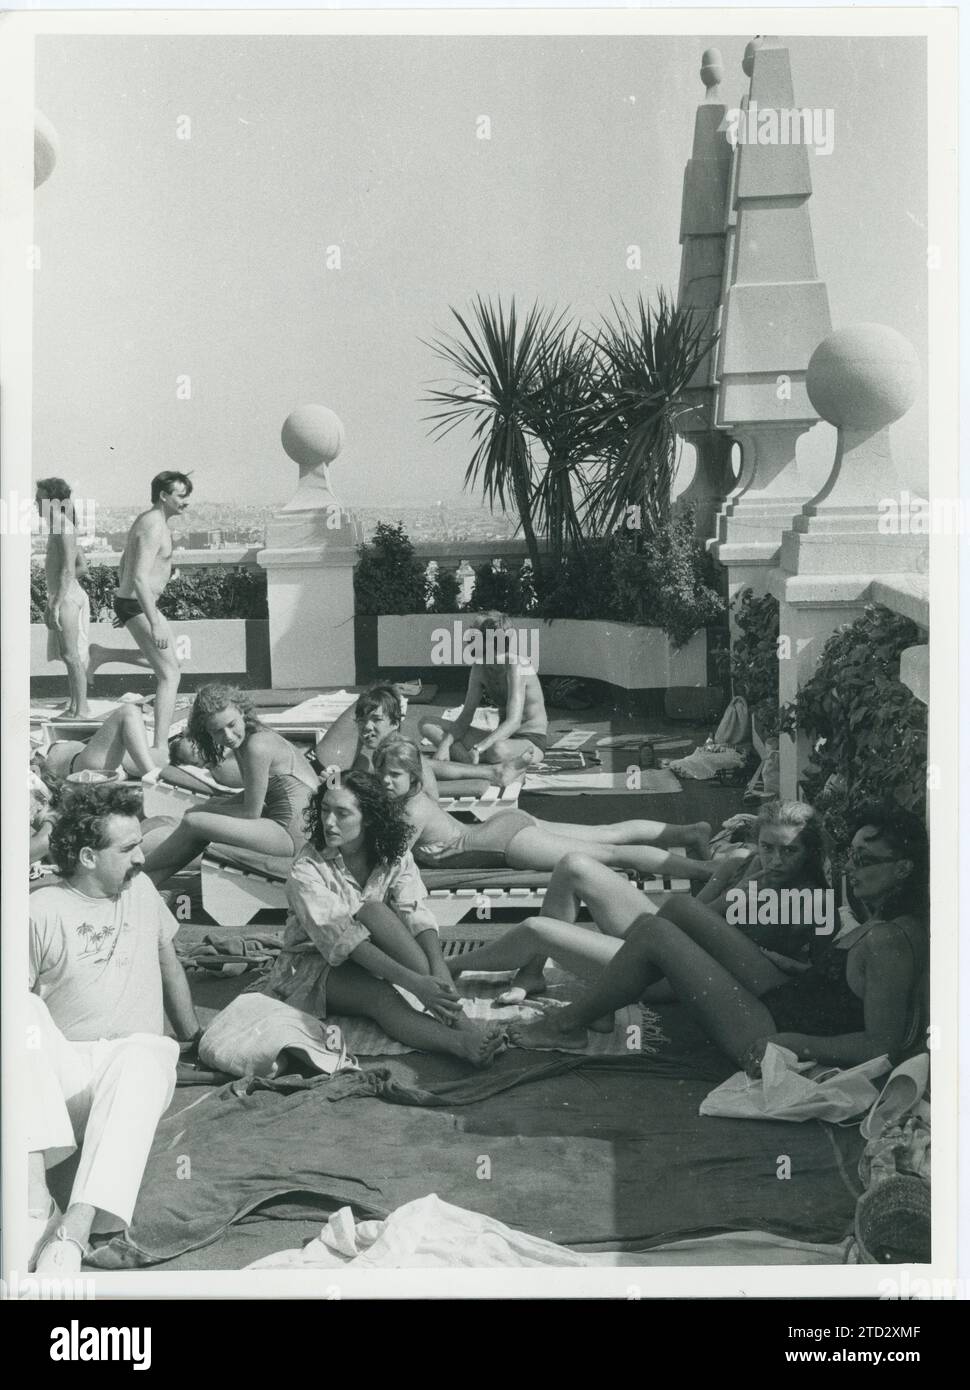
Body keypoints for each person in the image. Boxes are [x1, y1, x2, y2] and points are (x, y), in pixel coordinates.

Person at [508, 804, 929, 1073]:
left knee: (654, 931)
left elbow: (883, 1044)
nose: (854, 869)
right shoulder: (877, 919)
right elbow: (832, 978)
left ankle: (568, 1024)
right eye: (852, 856)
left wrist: (795, 1044)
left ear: (904, 869)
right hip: (789, 992)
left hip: (775, 1026)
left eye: (867, 860)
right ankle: (611, 992)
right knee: (674, 911)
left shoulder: (888, 941)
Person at [27, 783, 201, 1274]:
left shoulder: (142, 891)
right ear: (86, 855)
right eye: (128, 849)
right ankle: (34, 1196)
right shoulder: (40, 910)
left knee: (144, 1054)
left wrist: (192, 1037)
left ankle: (72, 1232)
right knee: (17, 1008)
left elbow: (168, 959)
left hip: (136, 1064)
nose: (143, 858)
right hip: (65, 1078)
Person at [445, 799, 827, 1000]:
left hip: (677, 973)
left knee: (535, 929)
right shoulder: (745, 865)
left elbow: (799, 973)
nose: (775, 860)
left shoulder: (803, 898)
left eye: (789, 852)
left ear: (809, 853)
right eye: (767, 847)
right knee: (573, 865)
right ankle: (531, 975)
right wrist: (730, 886)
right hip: (665, 939)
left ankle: (449, 965)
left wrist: (735, 900)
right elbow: (687, 918)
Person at [252, 771, 506, 1067]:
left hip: (373, 949)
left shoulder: (392, 856)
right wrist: (414, 983)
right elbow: (346, 941)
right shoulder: (306, 871)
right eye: (324, 811)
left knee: (374, 909)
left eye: (342, 813)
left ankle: (464, 1025)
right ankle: (461, 1044)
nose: (329, 822)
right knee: (380, 997)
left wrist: (436, 971)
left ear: (369, 818)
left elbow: (415, 912)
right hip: (313, 963)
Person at [375, 735, 715, 882]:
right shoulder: (420, 796)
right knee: (607, 836)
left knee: (611, 853)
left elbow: (386, 866)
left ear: (411, 776)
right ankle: (691, 833)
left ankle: (708, 873)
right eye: (382, 775)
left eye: (394, 775)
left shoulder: (409, 811)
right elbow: (426, 766)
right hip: (502, 827)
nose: (386, 782)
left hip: (505, 844)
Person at [142, 684, 319, 887]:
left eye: (231, 724)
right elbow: (251, 795)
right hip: (296, 827)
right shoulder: (249, 740)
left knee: (195, 822)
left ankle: (139, 877)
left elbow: (251, 812)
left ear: (242, 712)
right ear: (207, 733)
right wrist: (209, 807)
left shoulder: (257, 746)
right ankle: (147, 881)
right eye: (217, 732)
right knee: (200, 814)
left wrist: (203, 810)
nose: (227, 735)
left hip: (294, 835)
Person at [110, 471, 193, 749]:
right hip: (139, 605)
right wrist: (153, 621)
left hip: (135, 604)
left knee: (171, 665)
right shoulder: (155, 525)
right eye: (181, 495)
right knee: (170, 674)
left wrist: (123, 601)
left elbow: (124, 563)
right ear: (164, 495)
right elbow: (139, 577)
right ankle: (159, 747)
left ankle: (101, 654)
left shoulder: (147, 520)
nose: (186, 502)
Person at [314, 684, 514, 788]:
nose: (367, 727)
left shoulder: (394, 759)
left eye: (375, 720)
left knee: (403, 759)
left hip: (329, 772)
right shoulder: (369, 761)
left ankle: (492, 772)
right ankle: (491, 772)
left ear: (395, 722)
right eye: (363, 721)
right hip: (329, 773)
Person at [418, 613, 549, 771]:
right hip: (500, 737)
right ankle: (473, 765)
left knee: (496, 751)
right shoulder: (479, 668)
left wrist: (478, 748)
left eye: (474, 634)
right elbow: (465, 717)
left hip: (530, 740)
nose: (468, 638)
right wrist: (444, 746)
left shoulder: (516, 665)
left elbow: (514, 722)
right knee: (426, 724)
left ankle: (470, 760)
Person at [36, 478, 92, 718]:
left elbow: (70, 569)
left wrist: (55, 604)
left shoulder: (63, 526)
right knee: (68, 655)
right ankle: (74, 706)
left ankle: (81, 709)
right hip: (63, 595)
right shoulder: (59, 525)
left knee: (72, 656)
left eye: (39, 499)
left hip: (67, 597)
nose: (35, 503)